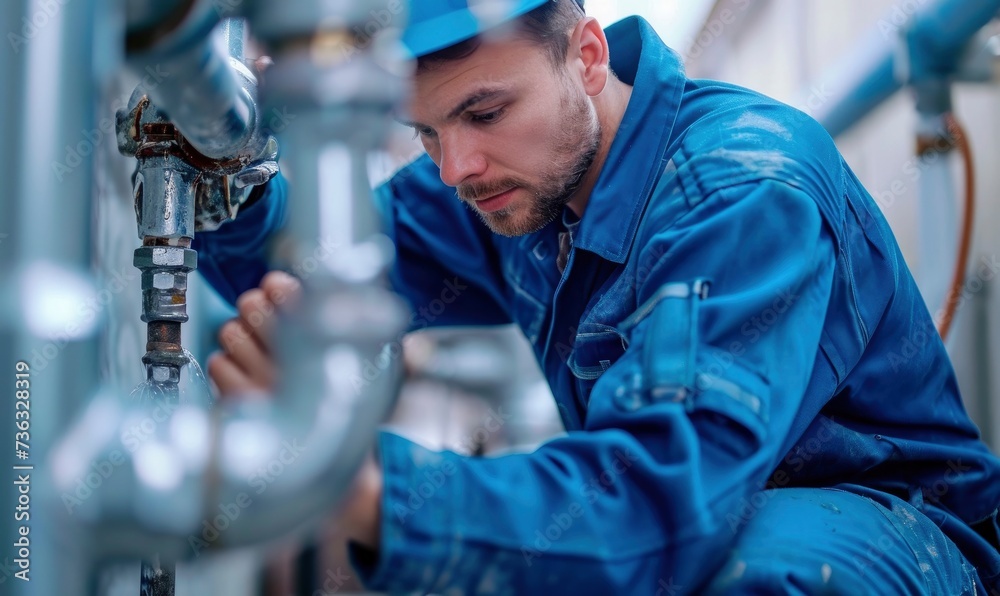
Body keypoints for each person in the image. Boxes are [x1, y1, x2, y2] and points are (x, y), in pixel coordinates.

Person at [197, 0, 1000, 593]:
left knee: (756, 575)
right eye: (429, 133)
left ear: (586, 56)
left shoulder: (739, 194)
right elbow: (323, 267)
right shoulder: (506, 178)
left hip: (897, 536)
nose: (455, 168)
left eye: (484, 111)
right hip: (706, 514)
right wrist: (215, 166)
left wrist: (366, 491)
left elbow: (658, 503)